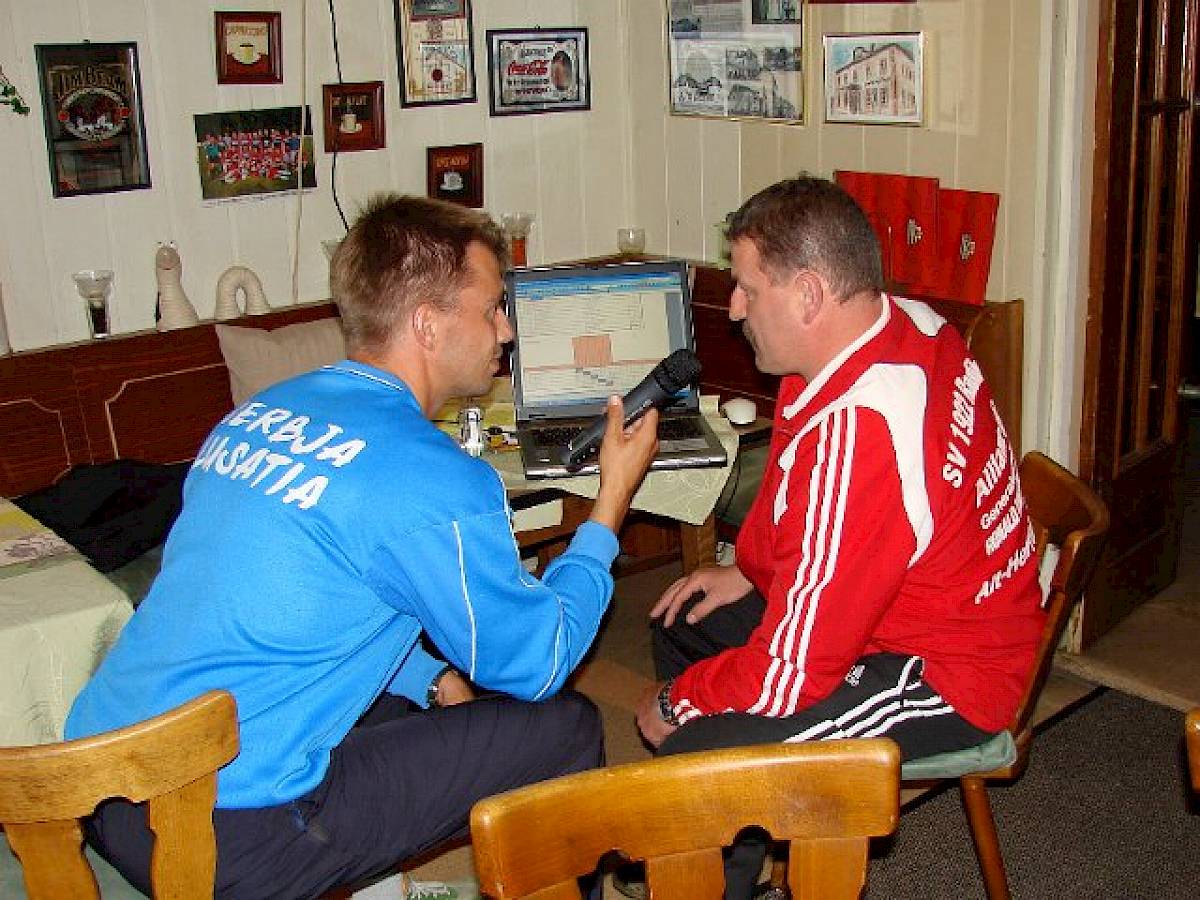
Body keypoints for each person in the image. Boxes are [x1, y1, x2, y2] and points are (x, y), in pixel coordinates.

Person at [66, 195, 660, 900]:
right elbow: (537, 661)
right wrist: (608, 509)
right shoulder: (434, 477)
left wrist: (431, 679)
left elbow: (303, 600)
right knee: (564, 727)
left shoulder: (256, 415)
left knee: (417, 703)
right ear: (427, 324)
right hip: (223, 835)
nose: (505, 329)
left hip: (104, 783)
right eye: (492, 308)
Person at [634, 175, 1045, 899]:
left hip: (946, 671)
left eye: (747, 288)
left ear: (808, 294)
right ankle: (732, 869)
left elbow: (793, 673)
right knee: (683, 621)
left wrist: (678, 706)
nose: (735, 309)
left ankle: (715, 861)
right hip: (898, 603)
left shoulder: (862, 433)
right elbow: (798, 491)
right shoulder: (900, 323)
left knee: (696, 763)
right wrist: (750, 570)